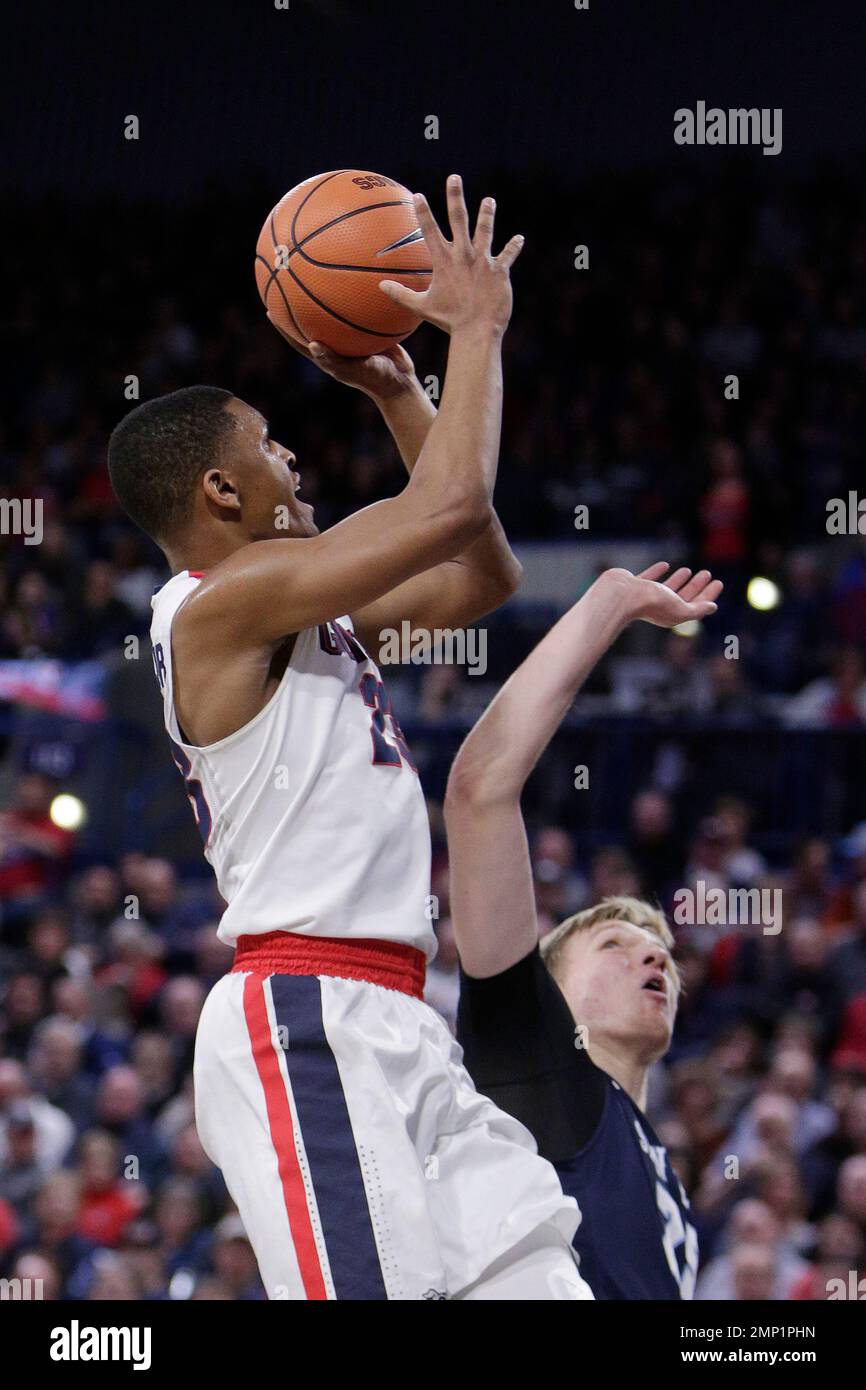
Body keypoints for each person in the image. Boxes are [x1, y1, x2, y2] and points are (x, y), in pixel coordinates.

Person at [107, 176, 589, 1301]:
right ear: (223, 489)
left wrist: (399, 391)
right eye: (273, 449)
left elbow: (481, 575)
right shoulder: (211, 609)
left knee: (538, 1280)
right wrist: (473, 329)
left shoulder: (298, 607)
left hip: (401, 1015)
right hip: (305, 1014)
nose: (295, 464)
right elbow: (448, 508)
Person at [446, 561, 722, 1298]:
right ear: (551, 995)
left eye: (661, 951)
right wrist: (609, 603)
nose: (653, 959)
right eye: (616, 946)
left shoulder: (661, 1161)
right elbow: (480, 791)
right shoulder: (544, 1075)